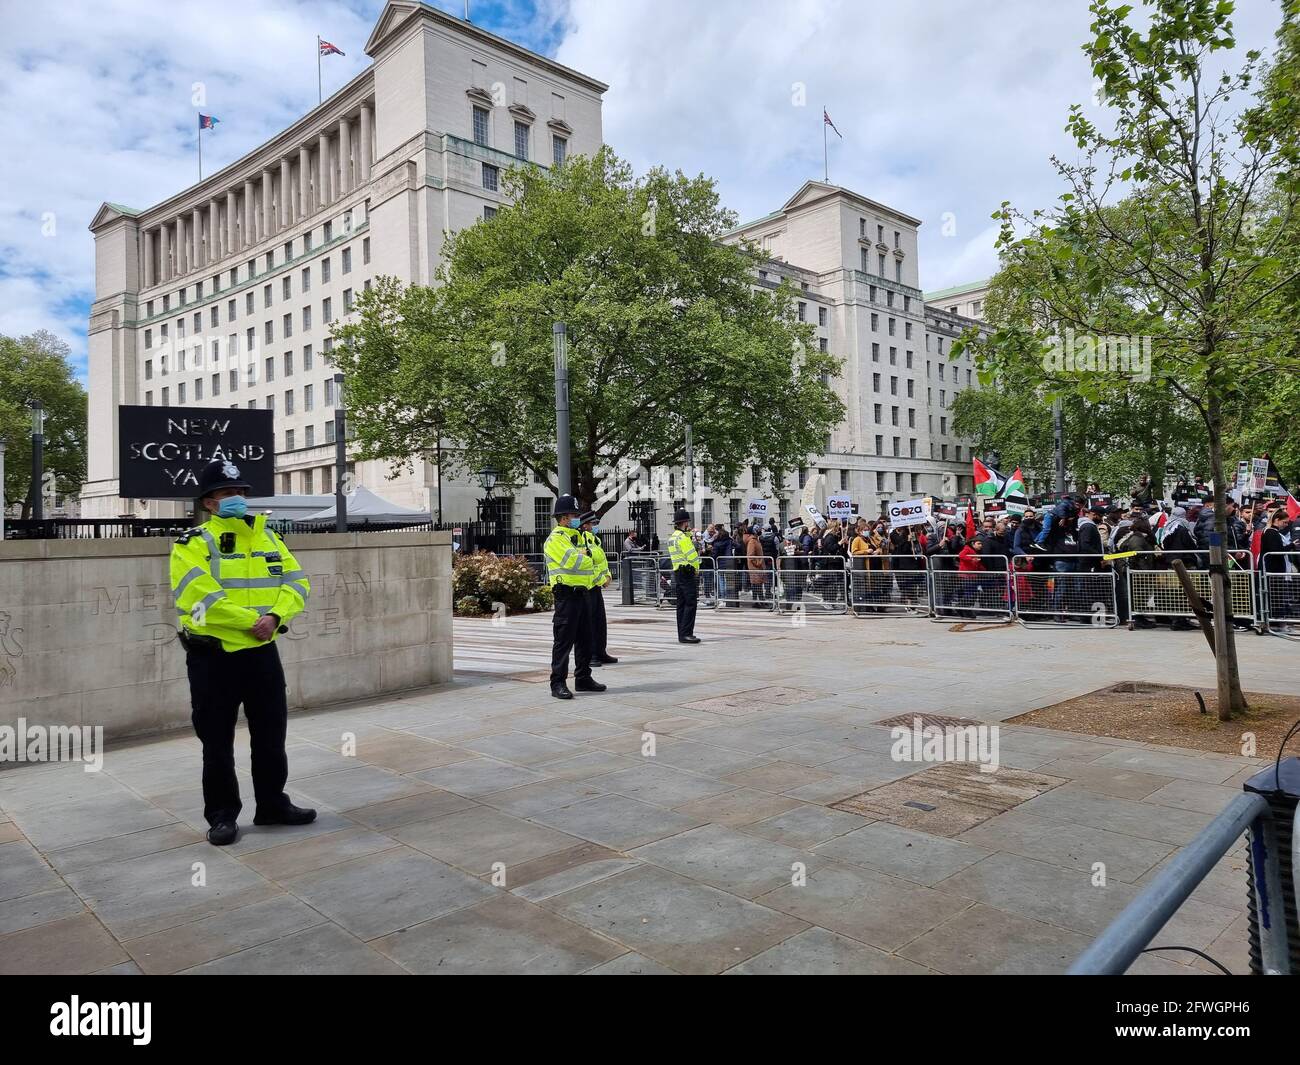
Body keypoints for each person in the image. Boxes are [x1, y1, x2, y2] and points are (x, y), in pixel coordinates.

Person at [170, 459, 316, 847]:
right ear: (209, 502)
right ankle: (221, 816)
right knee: (216, 742)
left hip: (262, 654)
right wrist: (252, 620)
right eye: (227, 493)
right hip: (213, 657)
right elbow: (198, 596)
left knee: (271, 735)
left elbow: (298, 583)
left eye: (240, 493)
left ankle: (272, 805)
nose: (237, 498)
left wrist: (275, 616)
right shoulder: (193, 543)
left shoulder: (270, 538)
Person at [544, 495, 604, 699]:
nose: (576, 518)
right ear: (562, 518)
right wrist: (587, 556)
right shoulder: (556, 539)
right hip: (566, 595)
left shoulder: (577, 537)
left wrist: (587, 555)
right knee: (563, 641)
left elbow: (596, 556)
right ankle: (558, 683)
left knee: (585, 639)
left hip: (584, 593)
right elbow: (575, 561)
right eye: (573, 515)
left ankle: (583, 678)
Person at [580, 511, 617, 667]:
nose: (595, 526)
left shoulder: (595, 540)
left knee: (600, 621)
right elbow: (588, 565)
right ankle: (592, 655)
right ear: (585, 526)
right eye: (593, 524)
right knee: (590, 623)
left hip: (597, 586)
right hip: (589, 586)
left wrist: (608, 576)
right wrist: (602, 580)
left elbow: (602, 563)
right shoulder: (582, 541)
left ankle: (601, 652)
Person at [668, 508, 702, 643]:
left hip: (678, 572)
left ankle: (682, 633)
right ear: (685, 522)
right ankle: (687, 633)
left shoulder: (673, 537)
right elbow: (692, 556)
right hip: (687, 573)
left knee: (681, 604)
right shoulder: (683, 538)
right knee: (691, 603)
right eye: (688, 521)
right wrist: (697, 567)